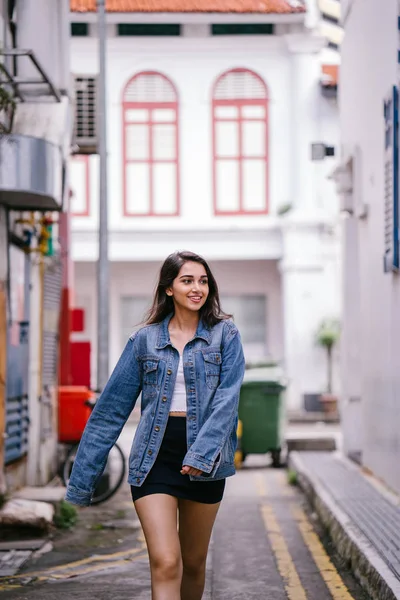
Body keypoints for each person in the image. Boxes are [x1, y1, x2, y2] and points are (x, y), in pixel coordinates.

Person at [65, 250, 245, 600]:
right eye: (187, 280)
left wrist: (203, 453)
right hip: (154, 458)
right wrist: (82, 481)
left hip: (205, 463)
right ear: (168, 288)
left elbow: (227, 401)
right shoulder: (144, 341)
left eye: (203, 281)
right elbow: (110, 411)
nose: (198, 288)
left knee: (193, 564)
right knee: (165, 562)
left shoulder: (226, 335)